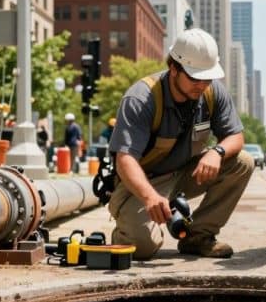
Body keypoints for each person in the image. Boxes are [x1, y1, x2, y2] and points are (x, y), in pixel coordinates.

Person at [108, 28, 254, 260]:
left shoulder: (212, 92)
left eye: (208, 77)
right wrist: (149, 197)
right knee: (140, 248)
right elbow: (124, 160)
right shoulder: (141, 99)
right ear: (174, 68)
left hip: (185, 173)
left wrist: (217, 152)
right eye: (195, 77)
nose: (202, 84)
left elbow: (236, 137)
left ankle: (197, 237)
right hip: (145, 182)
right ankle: (127, 230)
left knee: (242, 162)